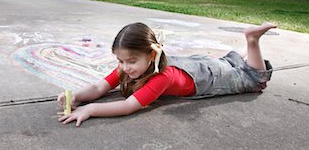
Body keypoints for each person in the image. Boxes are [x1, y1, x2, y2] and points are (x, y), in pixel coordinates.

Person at [57, 22, 276, 126]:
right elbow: (98, 87)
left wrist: (90, 110)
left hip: (209, 79)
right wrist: (75, 96)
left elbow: (127, 106)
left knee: (253, 79)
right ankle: (242, 51)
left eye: (131, 61)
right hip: (198, 66)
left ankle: (252, 40)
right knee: (227, 62)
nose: (124, 67)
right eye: (120, 61)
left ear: (151, 56)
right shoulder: (128, 68)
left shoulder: (162, 78)